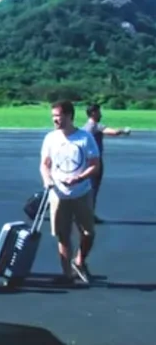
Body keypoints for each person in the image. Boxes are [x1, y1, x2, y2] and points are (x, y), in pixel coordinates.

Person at [40, 100, 100, 284]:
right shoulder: (51, 138)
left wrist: (79, 178)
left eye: (58, 116)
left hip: (81, 192)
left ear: (68, 116)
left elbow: (95, 165)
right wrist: (47, 180)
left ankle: (80, 260)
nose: (55, 120)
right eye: (53, 117)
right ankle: (67, 273)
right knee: (62, 234)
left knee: (88, 232)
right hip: (58, 193)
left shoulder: (84, 138)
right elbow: (45, 164)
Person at [82, 103, 131, 223]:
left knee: (84, 188)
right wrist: (123, 130)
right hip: (95, 162)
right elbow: (112, 132)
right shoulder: (96, 126)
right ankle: (88, 215)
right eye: (99, 111)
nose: (101, 114)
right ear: (93, 113)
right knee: (93, 188)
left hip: (84, 161)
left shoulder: (84, 128)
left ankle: (81, 213)